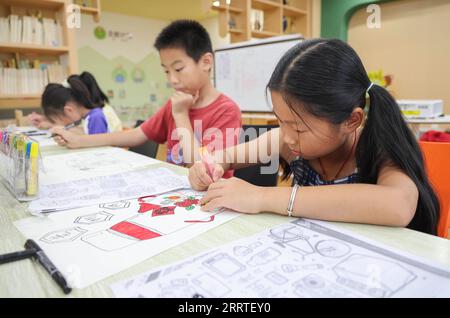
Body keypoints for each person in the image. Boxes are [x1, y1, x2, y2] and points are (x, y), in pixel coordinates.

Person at [189, 39, 439, 235]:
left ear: (351, 121)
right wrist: (210, 166)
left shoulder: (377, 147)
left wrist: (260, 196)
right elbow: (226, 157)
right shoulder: (288, 142)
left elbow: (398, 205)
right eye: (280, 121)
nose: (286, 137)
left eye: (298, 128)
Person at [50, 20, 241, 177]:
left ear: (206, 62)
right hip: (177, 195)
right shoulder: (175, 104)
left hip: (210, 200)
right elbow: (135, 135)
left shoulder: (225, 110)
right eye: (166, 71)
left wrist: (181, 115)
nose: (172, 79)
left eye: (178, 69)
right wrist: (78, 140)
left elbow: (204, 170)